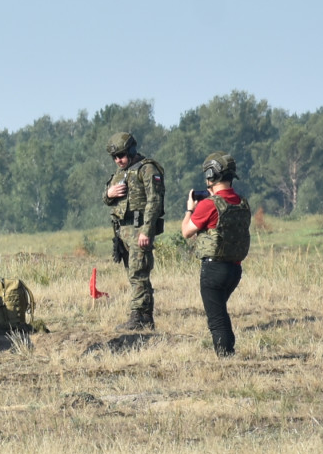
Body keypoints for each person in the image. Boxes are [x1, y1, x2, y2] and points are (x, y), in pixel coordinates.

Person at [180, 152, 251, 357]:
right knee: (220, 311)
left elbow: (186, 232)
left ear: (211, 175)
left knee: (216, 318)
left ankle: (225, 356)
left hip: (213, 269)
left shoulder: (208, 205)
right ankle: (228, 352)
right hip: (234, 269)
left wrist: (189, 210)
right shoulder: (242, 202)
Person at [103, 131, 165, 331]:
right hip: (123, 232)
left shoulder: (147, 169)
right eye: (114, 157)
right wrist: (109, 193)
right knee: (134, 274)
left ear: (131, 150)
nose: (118, 160)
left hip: (139, 228)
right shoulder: (121, 173)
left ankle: (138, 316)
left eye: (121, 155)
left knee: (139, 273)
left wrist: (146, 230)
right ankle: (145, 318)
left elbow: (154, 201)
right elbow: (107, 198)